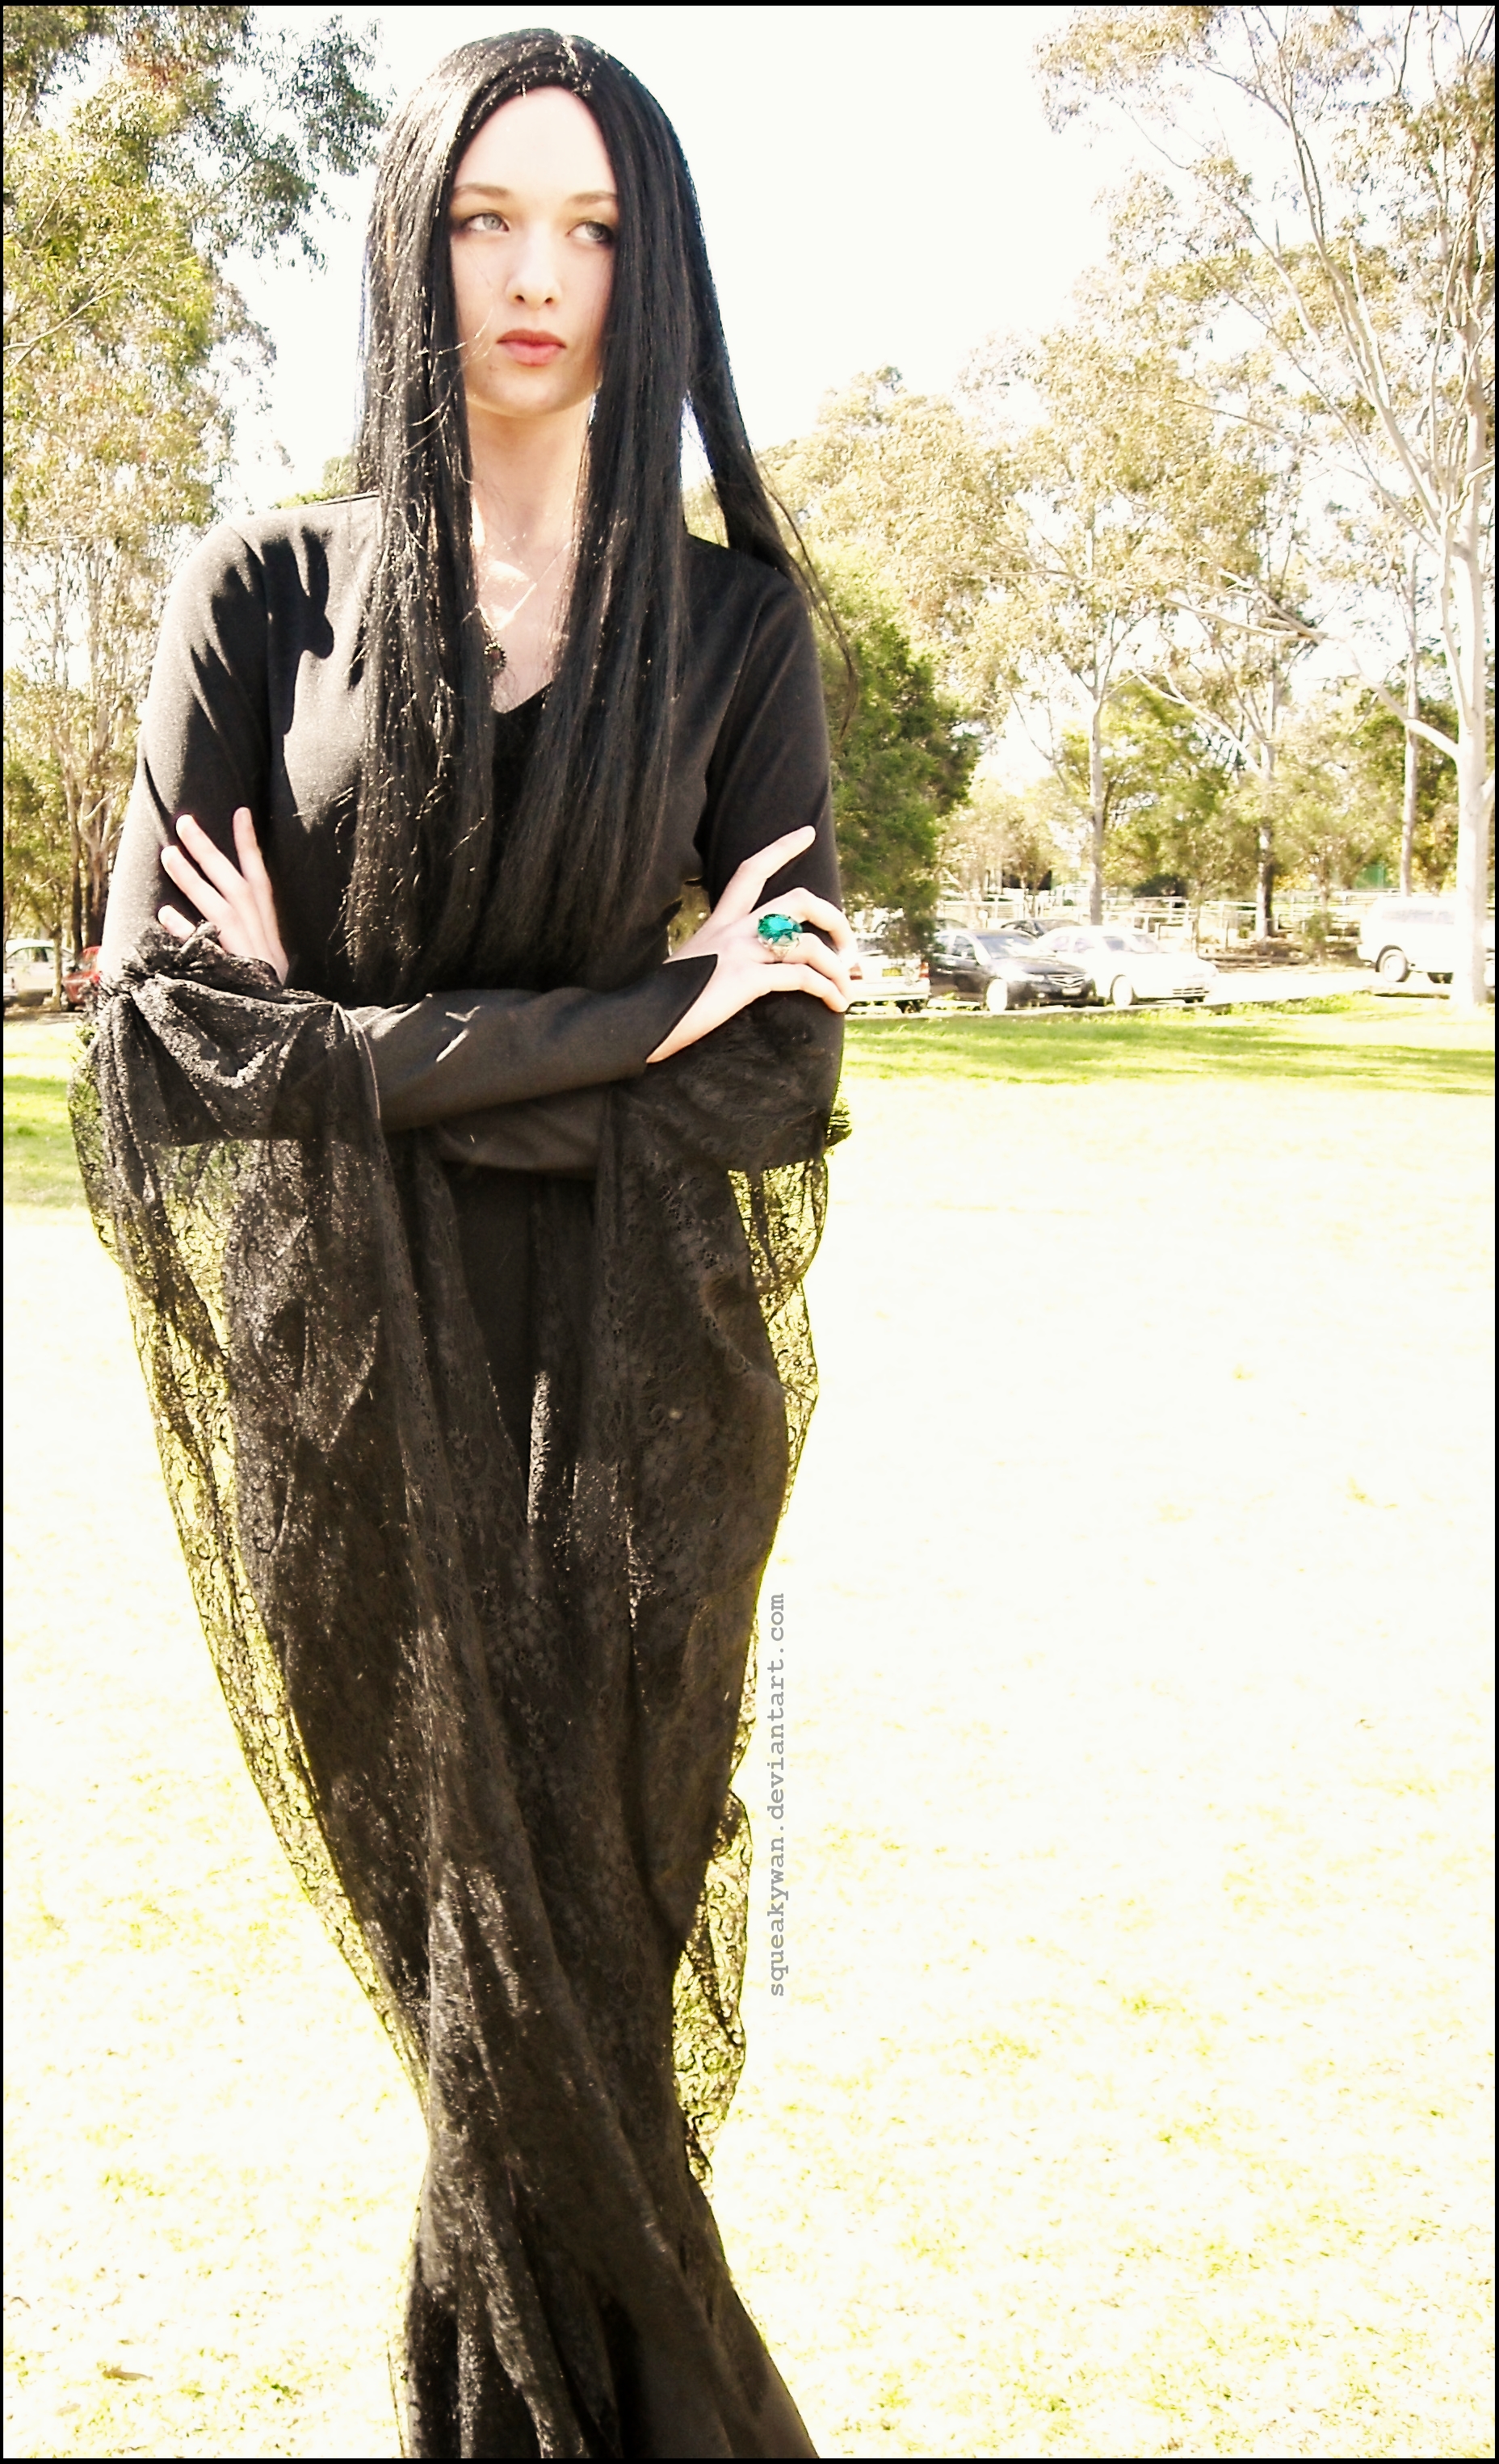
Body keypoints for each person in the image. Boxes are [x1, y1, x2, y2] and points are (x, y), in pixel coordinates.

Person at [80, 29, 854, 2460]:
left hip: (639, 1411)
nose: (538, 274)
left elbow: (774, 1077)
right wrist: (636, 1013)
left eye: (593, 227)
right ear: (409, 245)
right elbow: (167, 1054)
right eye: (486, 219)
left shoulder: (739, 636)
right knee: (481, 2003)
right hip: (357, 1409)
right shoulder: (260, 597)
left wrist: (350, 1051)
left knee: (578, 2005)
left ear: (657, 265)